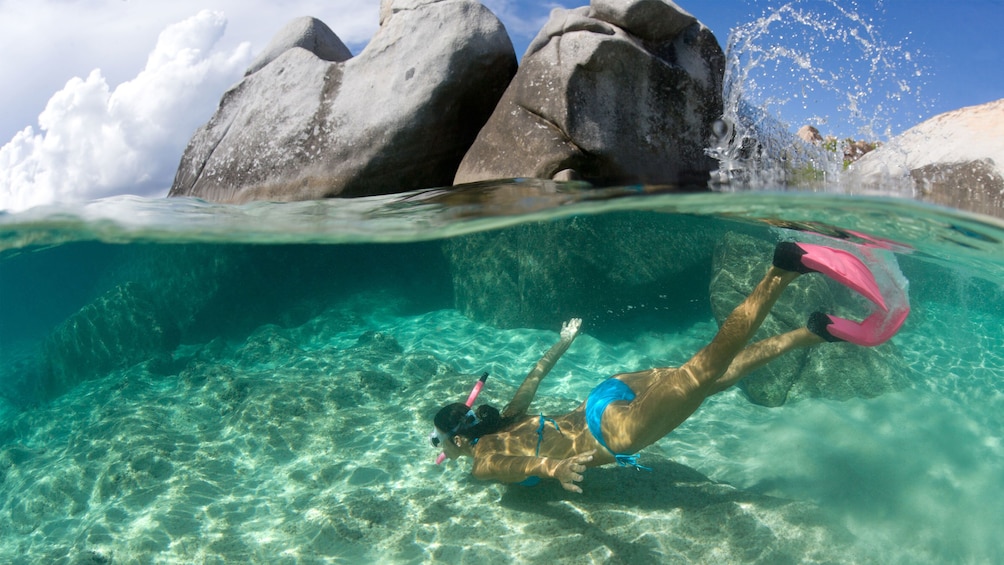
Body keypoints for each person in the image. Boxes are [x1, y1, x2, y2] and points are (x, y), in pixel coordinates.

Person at [430, 241, 908, 493]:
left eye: (443, 443)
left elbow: (512, 465)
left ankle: (781, 269)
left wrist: (553, 468)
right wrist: (562, 342)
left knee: (703, 372)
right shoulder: (510, 415)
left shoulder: (482, 460)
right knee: (712, 380)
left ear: (455, 441)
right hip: (604, 394)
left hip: (610, 434)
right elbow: (535, 375)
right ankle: (814, 330)